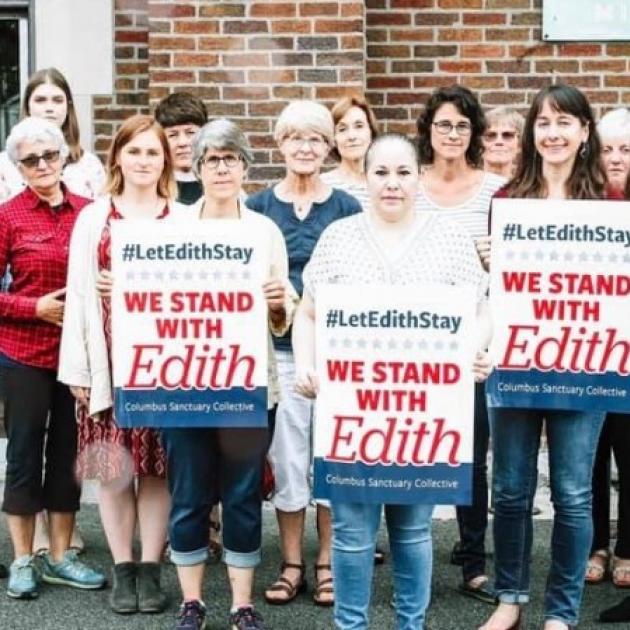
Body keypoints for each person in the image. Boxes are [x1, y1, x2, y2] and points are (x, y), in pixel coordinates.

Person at [292, 133, 492, 630]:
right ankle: (351, 625)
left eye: (403, 172)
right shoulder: (339, 237)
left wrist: (474, 350)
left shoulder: (448, 238)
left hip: (424, 413)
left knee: (413, 530)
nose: (392, 184)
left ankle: (410, 625)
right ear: (367, 177)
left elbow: (481, 306)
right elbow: (308, 312)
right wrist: (305, 363)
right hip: (353, 413)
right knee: (353, 533)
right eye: (381, 172)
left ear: (418, 175)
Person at [478, 84, 608, 630]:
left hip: (586, 363)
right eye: (544, 123)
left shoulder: (611, 206)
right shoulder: (508, 201)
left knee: (574, 494)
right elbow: (500, 290)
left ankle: (561, 611)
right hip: (516, 357)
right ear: (533, 134)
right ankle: (511, 599)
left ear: (584, 133)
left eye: (565, 122)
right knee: (509, 489)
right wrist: (490, 260)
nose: (553, 133)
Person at [161, 118, 296, 630]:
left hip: (247, 384)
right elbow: (154, 307)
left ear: (245, 166)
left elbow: (281, 312)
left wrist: (279, 302)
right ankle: (191, 602)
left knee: (242, 496)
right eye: (211, 159)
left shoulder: (263, 230)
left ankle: (242, 602)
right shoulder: (171, 230)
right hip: (184, 386)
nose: (221, 167)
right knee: (190, 492)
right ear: (197, 167)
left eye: (231, 158)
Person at [59, 114, 178, 615]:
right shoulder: (94, 218)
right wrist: (79, 371)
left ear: (165, 161)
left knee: (155, 470)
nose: (144, 161)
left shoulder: (183, 219)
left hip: (161, 367)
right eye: (135, 152)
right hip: (106, 362)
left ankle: (151, 567)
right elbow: (79, 296)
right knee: (113, 470)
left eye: (153, 153)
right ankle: (122, 567)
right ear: (118, 159)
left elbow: (192, 293)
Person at [247, 100, 362, 607]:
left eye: (315, 138)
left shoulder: (347, 207)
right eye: (295, 138)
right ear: (280, 145)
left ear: (328, 146)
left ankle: (327, 562)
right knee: (289, 459)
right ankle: (292, 562)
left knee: (332, 455)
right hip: (277, 351)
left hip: (337, 350)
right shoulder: (256, 207)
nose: (305, 147)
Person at [0, 116, 105, 599]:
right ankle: (24, 559)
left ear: (64, 156)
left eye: (49, 155)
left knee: (67, 455)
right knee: (23, 454)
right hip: (22, 353)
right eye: (30, 159)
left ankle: (61, 557)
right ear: (18, 167)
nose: (42, 164)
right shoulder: (7, 216)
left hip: (77, 356)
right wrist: (33, 307)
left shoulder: (90, 212)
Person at [416, 84, 506, 604]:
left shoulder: (497, 189)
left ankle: (473, 562)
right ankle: (417, 555)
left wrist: (497, 258)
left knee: (472, 455)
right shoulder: (410, 182)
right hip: (415, 338)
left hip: (474, 336)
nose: (452, 134)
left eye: (462, 126)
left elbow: (512, 268)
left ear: (473, 135)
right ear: (428, 130)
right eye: (443, 124)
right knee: (418, 449)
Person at [584, 107, 630, 588]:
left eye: (626, 150)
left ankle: (627, 548)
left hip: (628, 352)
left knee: (629, 450)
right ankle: (596, 543)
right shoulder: (584, 202)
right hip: (587, 350)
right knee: (590, 453)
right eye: (607, 149)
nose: (615, 158)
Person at [0, 67, 105, 202]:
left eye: (57, 100)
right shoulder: (4, 165)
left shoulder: (89, 165)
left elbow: (102, 215)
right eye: (40, 100)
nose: (49, 108)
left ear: (68, 106)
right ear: (28, 106)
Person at [321, 94, 379, 210]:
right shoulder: (322, 185)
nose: (351, 136)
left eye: (359, 126)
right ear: (333, 138)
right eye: (342, 129)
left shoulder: (386, 184)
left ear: (371, 132)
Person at [154, 91, 208, 205]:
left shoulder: (222, 185)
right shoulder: (152, 187)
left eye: (190, 133)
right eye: (173, 135)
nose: (182, 142)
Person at [482, 107, 525, 179]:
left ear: (519, 145)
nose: (499, 141)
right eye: (490, 135)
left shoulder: (528, 189)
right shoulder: (463, 188)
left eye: (508, 135)